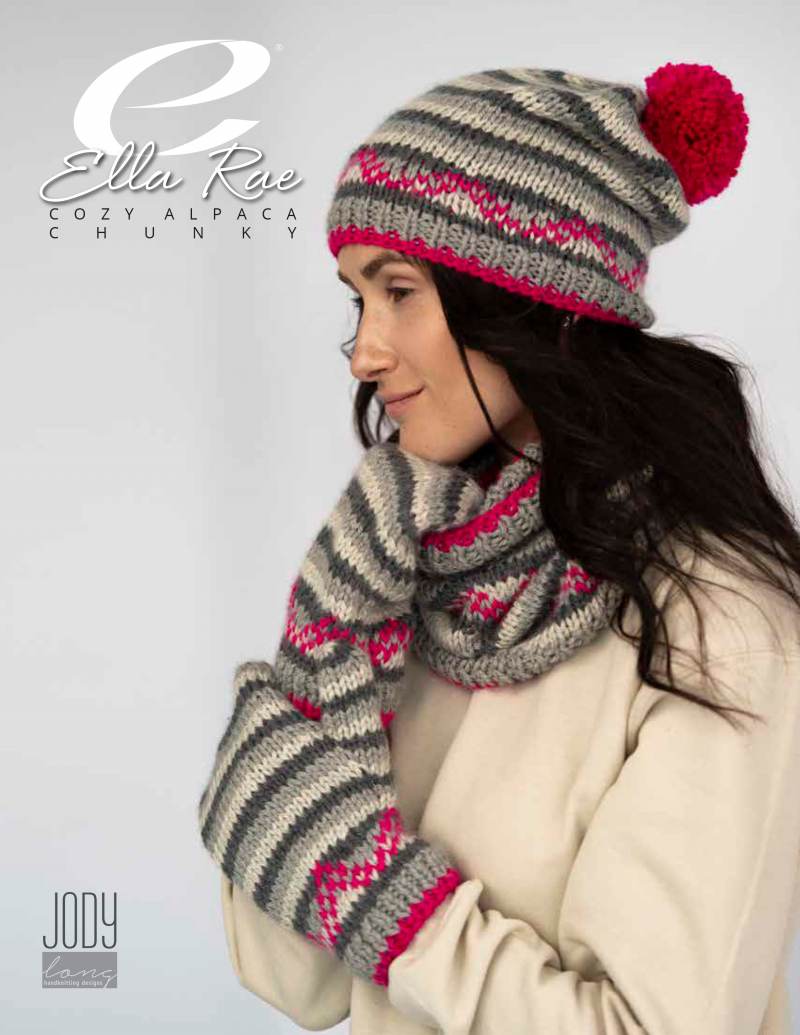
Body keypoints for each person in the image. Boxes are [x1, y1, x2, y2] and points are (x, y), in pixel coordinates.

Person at [197, 63, 800, 1033]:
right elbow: (298, 983)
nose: (364, 352)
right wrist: (325, 651)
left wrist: (389, 911)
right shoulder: (404, 571)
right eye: (358, 300)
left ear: (532, 299)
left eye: (399, 291)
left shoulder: (715, 618)